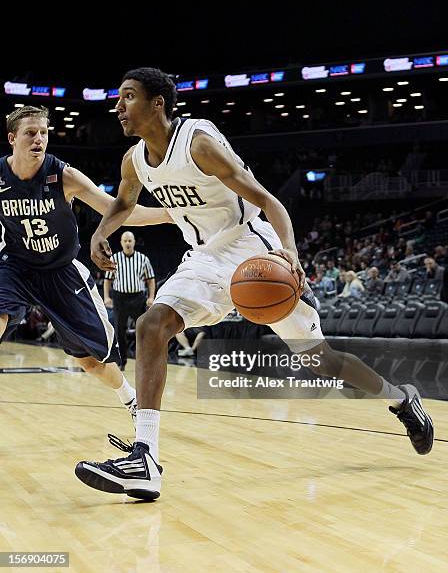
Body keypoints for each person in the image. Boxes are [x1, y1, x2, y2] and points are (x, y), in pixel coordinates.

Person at [75, 68, 433, 502]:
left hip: (253, 254)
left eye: (128, 97)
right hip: (203, 259)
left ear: (158, 104)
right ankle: (145, 457)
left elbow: (269, 201)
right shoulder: (133, 161)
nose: (118, 107)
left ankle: (400, 398)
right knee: (152, 326)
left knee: (322, 362)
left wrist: (291, 255)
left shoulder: (198, 144)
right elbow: (123, 204)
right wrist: (100, 232)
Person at [0, 105, 172, 428]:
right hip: (17, 266)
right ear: (12, 139)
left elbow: (116, 210)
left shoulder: (63, 176)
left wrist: (166, 214)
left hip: (61, 273)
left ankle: (131, 399)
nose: (39, 139)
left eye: (44, 133)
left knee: (92, 363)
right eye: (30, 133)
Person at [104, 231, 155, 370]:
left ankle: (143, 361)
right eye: (125, 241)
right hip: (120, 297)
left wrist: (151, 297)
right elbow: (107, 280)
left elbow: (150, 280)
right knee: (119, 330)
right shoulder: (114, 259)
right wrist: (106, 297)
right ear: (121, 242)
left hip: (138, 297)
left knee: (142, 329)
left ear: (134, 242)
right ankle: (122, 361)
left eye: (130, 240)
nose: (127, 243)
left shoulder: (143, 259)